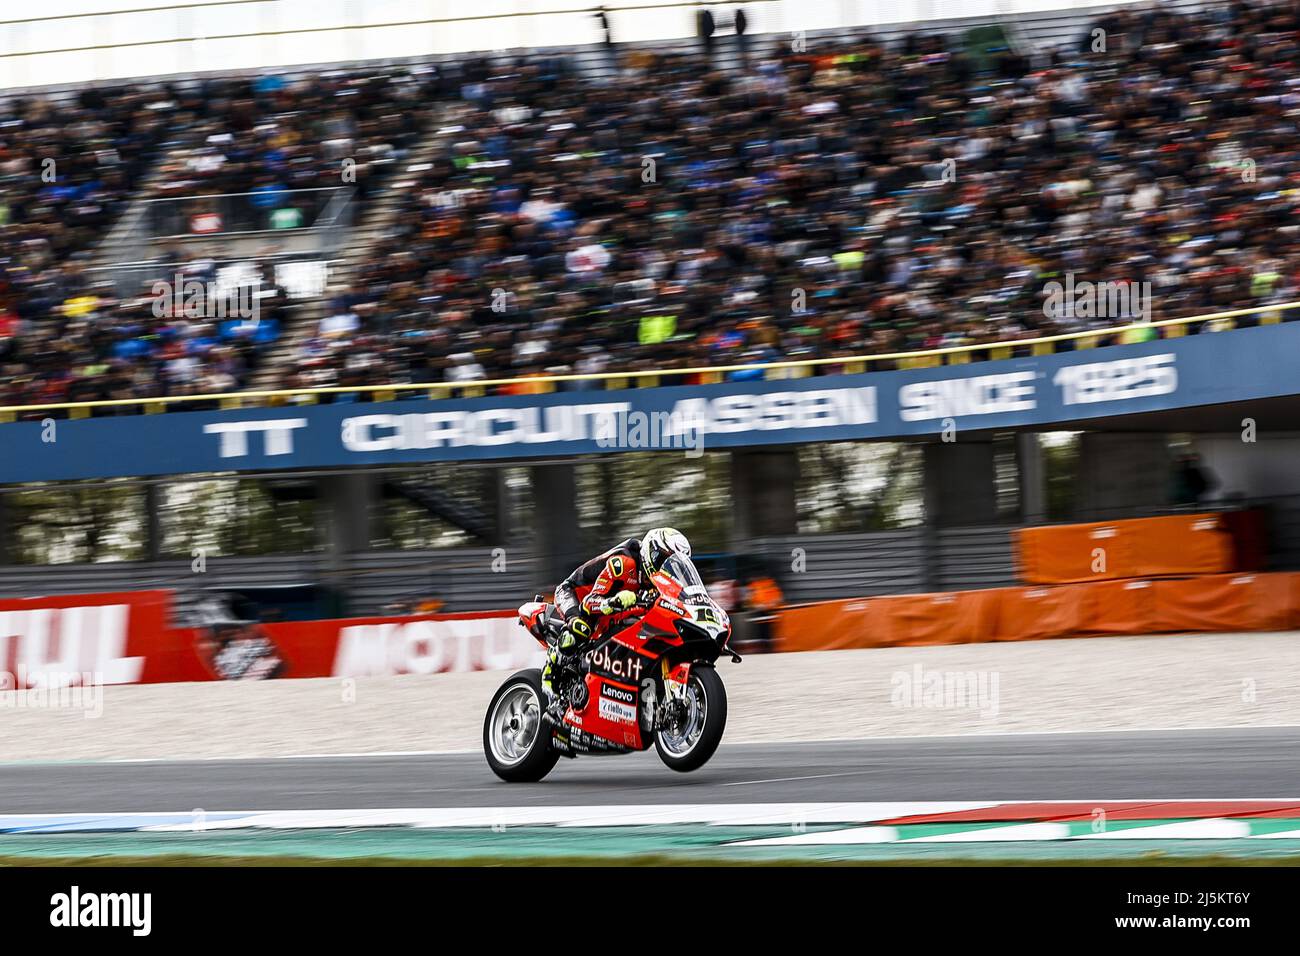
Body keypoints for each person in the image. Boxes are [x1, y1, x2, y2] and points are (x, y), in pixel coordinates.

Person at [542, 527, 692, 700]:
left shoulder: (657, 585)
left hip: (610, 613)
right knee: (580, 626)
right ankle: (550, 671)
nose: (665, 569)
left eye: (672, 565)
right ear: (652, 552)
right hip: (574, 595)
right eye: (663, 561)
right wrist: (611, 602)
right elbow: (589, 604)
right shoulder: (623, 563)